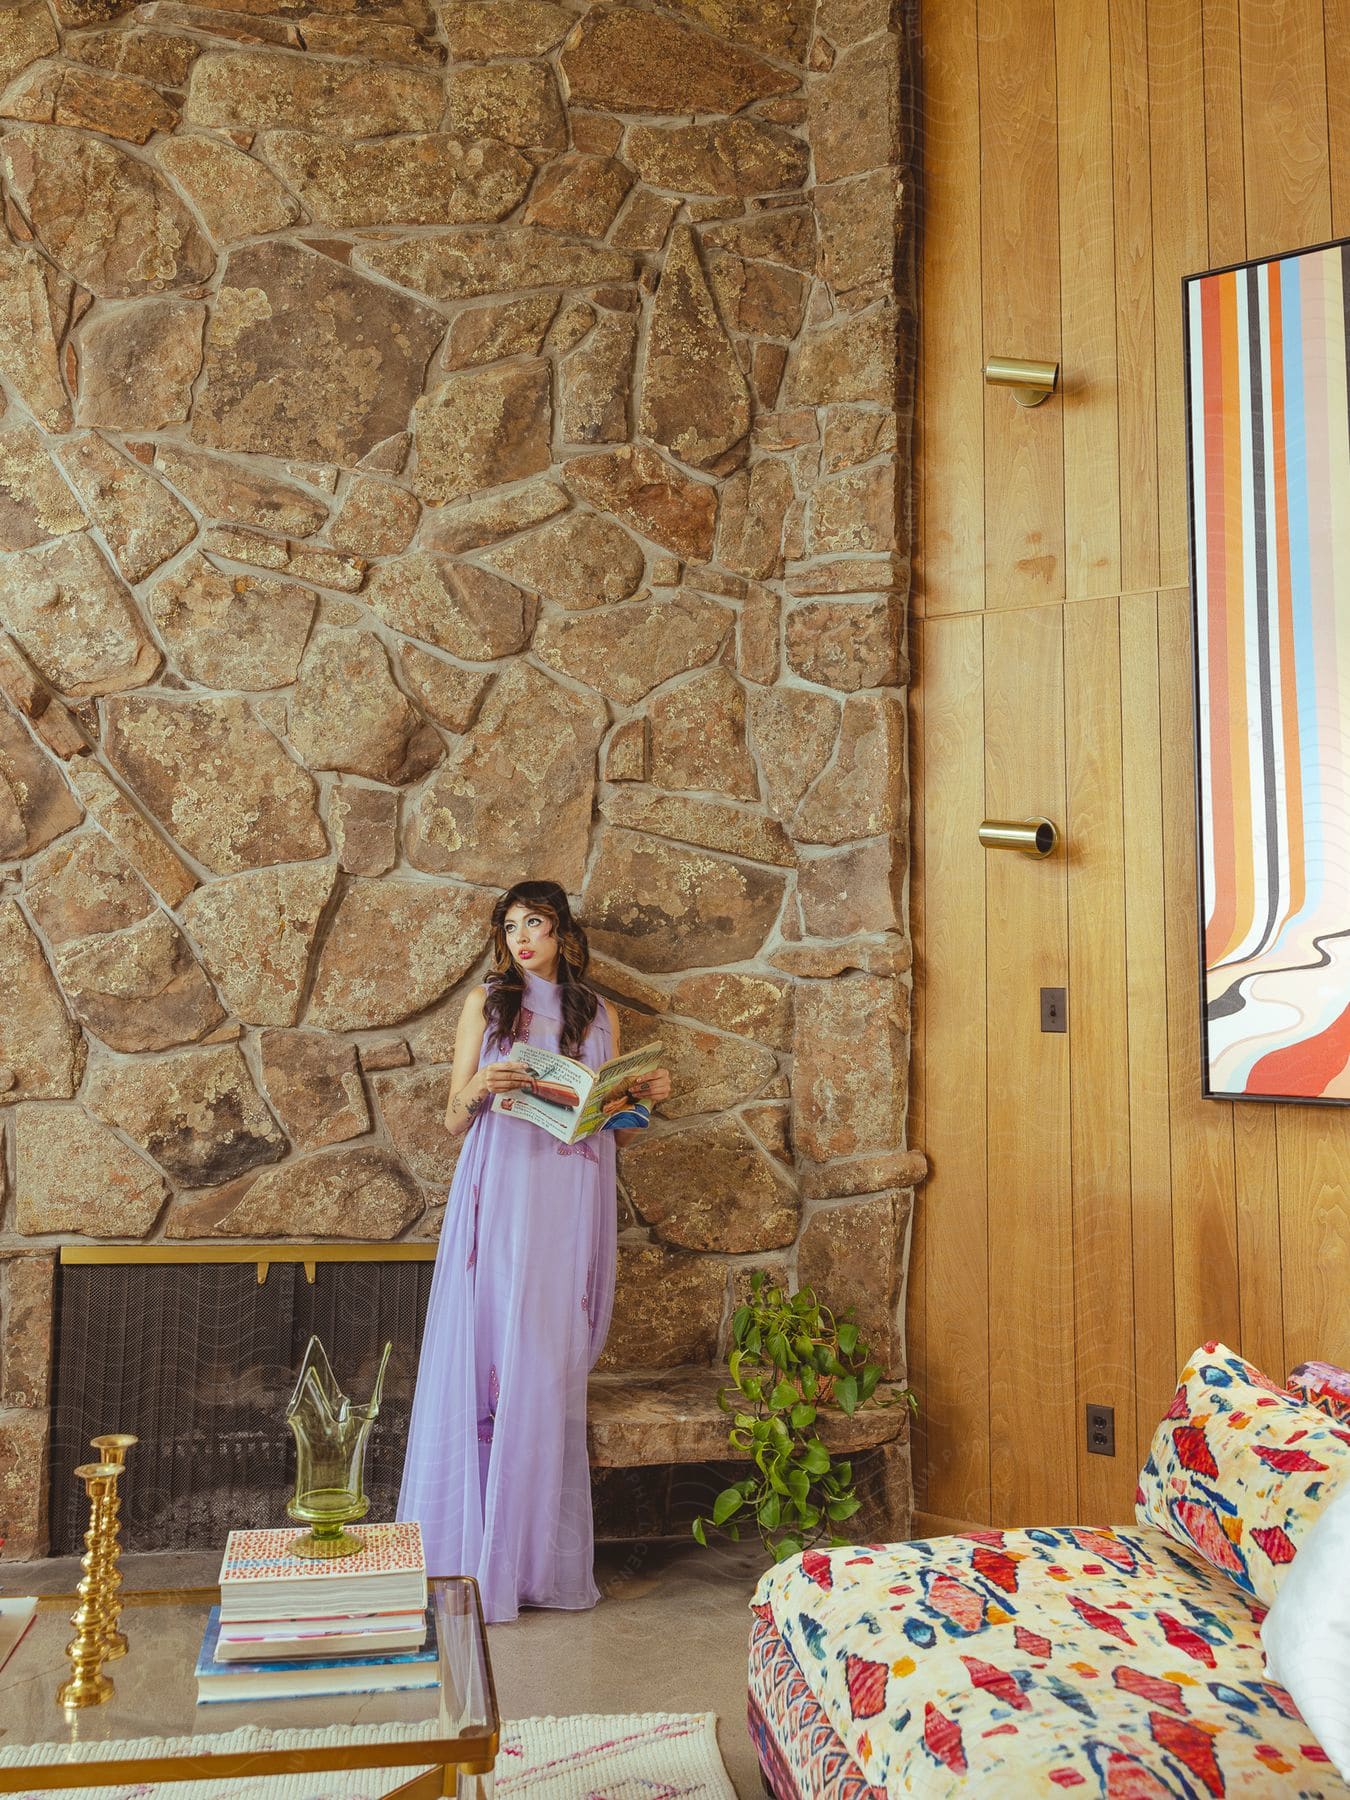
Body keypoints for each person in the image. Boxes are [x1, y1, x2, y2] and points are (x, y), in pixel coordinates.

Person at [397, 880, 672, 1623]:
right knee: (488, 1353)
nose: (524, 938)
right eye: (513, 926)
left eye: (538, 925)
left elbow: (620, 1125)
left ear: (562, 936)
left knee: (544, 1364)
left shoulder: (596, 1012)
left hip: (567, 1195)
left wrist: (644, 1092)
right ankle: (471, 1555)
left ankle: (530, 1559)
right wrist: (484, 1080)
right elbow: (453, 1120)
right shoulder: (486, 1006)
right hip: (500, 1187)